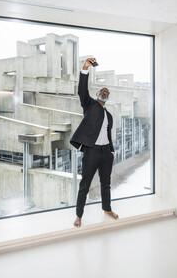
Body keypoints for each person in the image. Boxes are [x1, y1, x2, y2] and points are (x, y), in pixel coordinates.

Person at [70, 57, 119, 228]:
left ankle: (107, 209)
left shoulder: (109, 115)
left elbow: (108, 134)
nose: (104, 93)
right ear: (97, 94)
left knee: (106, 184)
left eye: (107, 93)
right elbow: (82, 91)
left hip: (106, 153)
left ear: (108, 97)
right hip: (91, 152)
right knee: (85, 185)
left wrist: (111, 151)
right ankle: (79, 216)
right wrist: (85, 69)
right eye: (102, 91)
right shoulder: (90, 106)